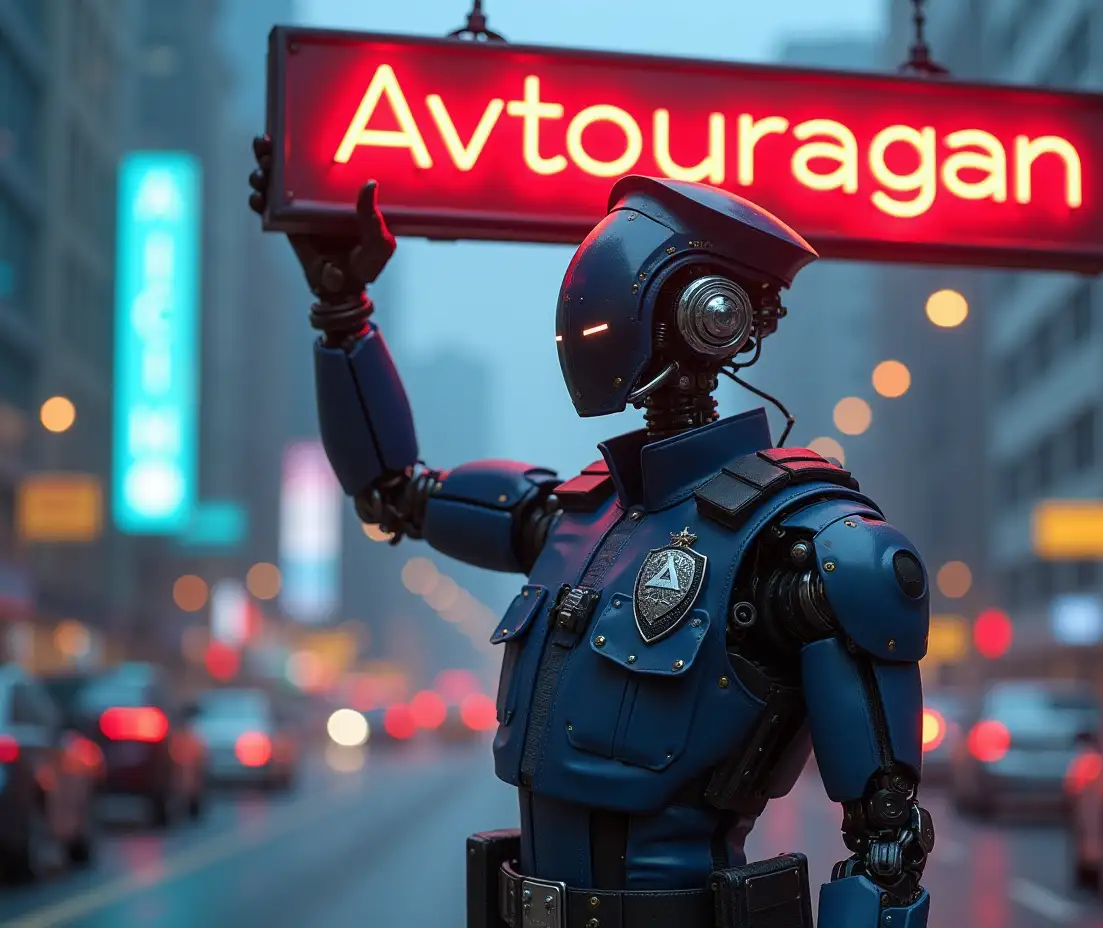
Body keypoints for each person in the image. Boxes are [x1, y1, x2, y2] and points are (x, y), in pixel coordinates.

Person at [249, 136, 933, 928]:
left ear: (709, 311)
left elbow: (888, 852)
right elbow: (393, 492)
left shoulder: (811, 548)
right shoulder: (580, 519)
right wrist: (342, 309)